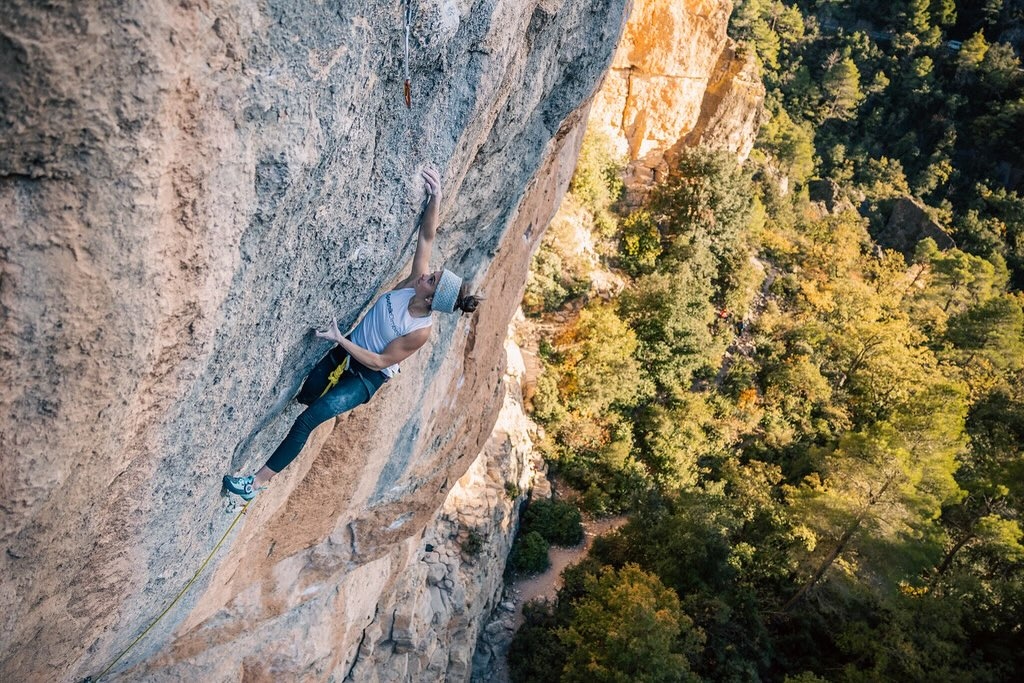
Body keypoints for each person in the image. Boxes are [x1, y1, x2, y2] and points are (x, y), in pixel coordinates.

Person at [223, 167, 480, 501]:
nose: (427, 274)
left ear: (431, 299)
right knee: (308, 390)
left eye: (432, 279)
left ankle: (252, 486)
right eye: (432, 273)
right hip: (347, 349)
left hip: (364, 379)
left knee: (308, 419)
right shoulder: (413, 284)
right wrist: (436, 197)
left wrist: (341, 339)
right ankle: (303, 406)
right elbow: (427, 238)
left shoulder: (420, 332)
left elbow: (379, 360)